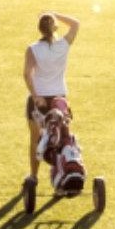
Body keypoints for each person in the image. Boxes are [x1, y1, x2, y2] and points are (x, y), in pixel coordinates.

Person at [23, 12, 81, 185]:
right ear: (55, 27)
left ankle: (33, 176)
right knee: (61, 137)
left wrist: (36, 96)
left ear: (40, 29)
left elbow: (27, 74)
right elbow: (75, 23)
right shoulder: (63, 44)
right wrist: (54, 14)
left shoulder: (33, 49)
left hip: (39, 99)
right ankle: (62, 173)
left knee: (36, 139)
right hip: (59, 99)